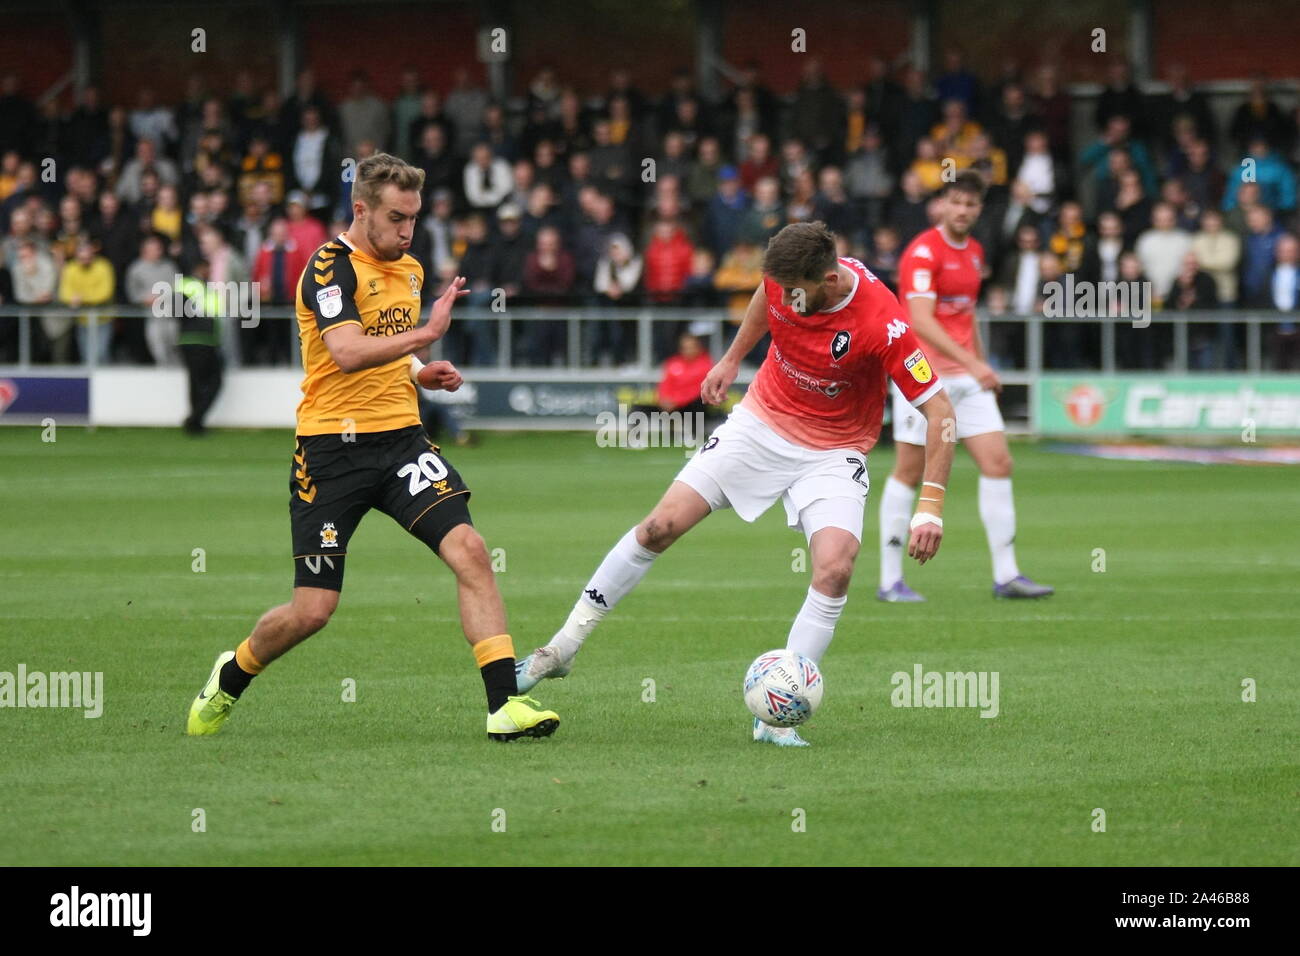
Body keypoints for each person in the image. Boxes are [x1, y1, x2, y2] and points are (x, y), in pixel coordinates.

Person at [515, 221, 956, 747]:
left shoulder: (883, 322)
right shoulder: (783, 283)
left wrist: (929, 507)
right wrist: (730, 358)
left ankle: (775, 715)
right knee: (658, 526)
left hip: (834, 451)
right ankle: (561, 649)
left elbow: (941, 413)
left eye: (796, 293)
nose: (786, 302)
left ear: (831, 279)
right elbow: (762, 300)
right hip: (761, 422)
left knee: (836, 568)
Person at [185, 153, 560, 742]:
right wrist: (429, 334)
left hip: (402, 444)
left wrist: (419, 371)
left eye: (413, 217)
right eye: (395, 217)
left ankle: (503, 706)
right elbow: (349, 353)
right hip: (330, 452)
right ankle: (233, 672)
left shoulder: (408, 269)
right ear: (361, 210)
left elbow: (387, 349)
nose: (407, 231)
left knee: (470, 549)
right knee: (313, 611)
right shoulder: (329, 269)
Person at [880, 172, 1053, 602]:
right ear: (942, 203)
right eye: (955, 202)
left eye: (971, 205)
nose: (962, 210)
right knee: (910, 471)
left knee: (998, 463)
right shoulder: (922, 252)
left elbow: (966, 314)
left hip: (966, 378)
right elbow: (920, 320)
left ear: (979, 209)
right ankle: (889, 579)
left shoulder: (975, 252)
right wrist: (973, 362)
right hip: (921, 377)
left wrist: (981, 365)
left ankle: (1006, 575)